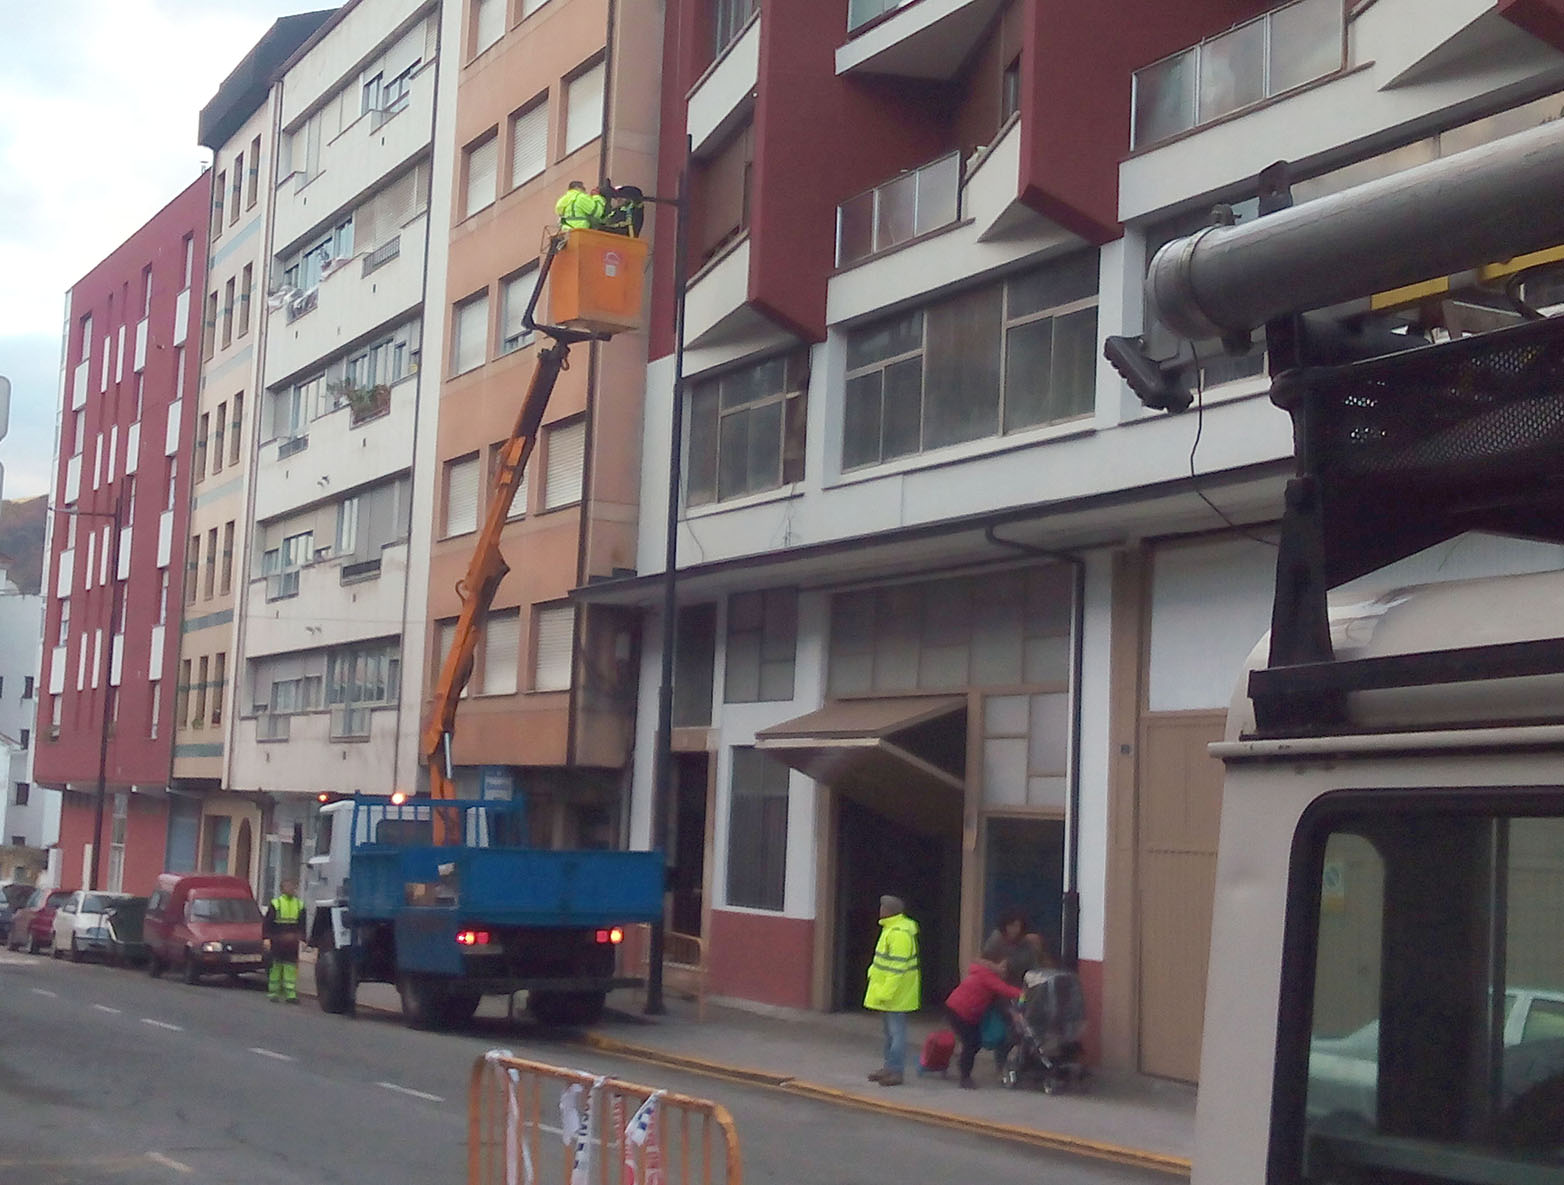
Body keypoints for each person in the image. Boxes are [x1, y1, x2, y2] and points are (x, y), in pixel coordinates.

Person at [864, 894, 920, 1087]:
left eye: (883, 907)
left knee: (897, 1035)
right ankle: (889, 1068)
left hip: (896, 994)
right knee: (889, 1033)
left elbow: (897, 969)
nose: (880, 910)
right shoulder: (891, 929)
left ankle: (896, 1071)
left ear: (890, 911)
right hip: (891, 993)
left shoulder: (899, 934)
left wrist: (885, 994)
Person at [944, 957, 1024, 1089]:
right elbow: (1005, 990)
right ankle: (965, 1077)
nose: (1004, 971)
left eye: (1006, 969)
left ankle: (963, 1065)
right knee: (971, 1042)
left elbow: (999, 997)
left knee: (974, 1042)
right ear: (994, 965)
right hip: (960, 1011)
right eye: (1002, 967)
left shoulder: (984, 974)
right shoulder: (989, 977)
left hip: (963, 1011)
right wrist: (1026, 994)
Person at [264, 879, 305, 1003]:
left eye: (293, 887)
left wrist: (302, 939)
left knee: (291, 967)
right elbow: (268, 923)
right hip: (277, 940)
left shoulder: (300, 905)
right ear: (282, 889)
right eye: (288, 887)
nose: (291, 889)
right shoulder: (276, 904)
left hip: (292, 942)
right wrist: (266, 938)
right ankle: (273, 992)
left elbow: (302, 924)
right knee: (276, 966)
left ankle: (290, 994)